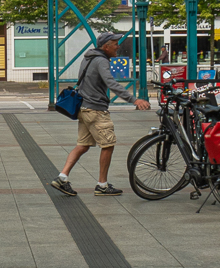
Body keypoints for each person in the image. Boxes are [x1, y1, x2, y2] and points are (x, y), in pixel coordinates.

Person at [49, 32, 151, 197]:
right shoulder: (101, 61)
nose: (118, 47)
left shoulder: (88, 58)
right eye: (115, 43)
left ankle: (62, 177)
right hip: (96, 110)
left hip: (84, 108)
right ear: (106, 46)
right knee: (108, 145)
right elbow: (110, 82)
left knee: (82, 145)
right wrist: (133, 99)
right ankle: (102, 185)